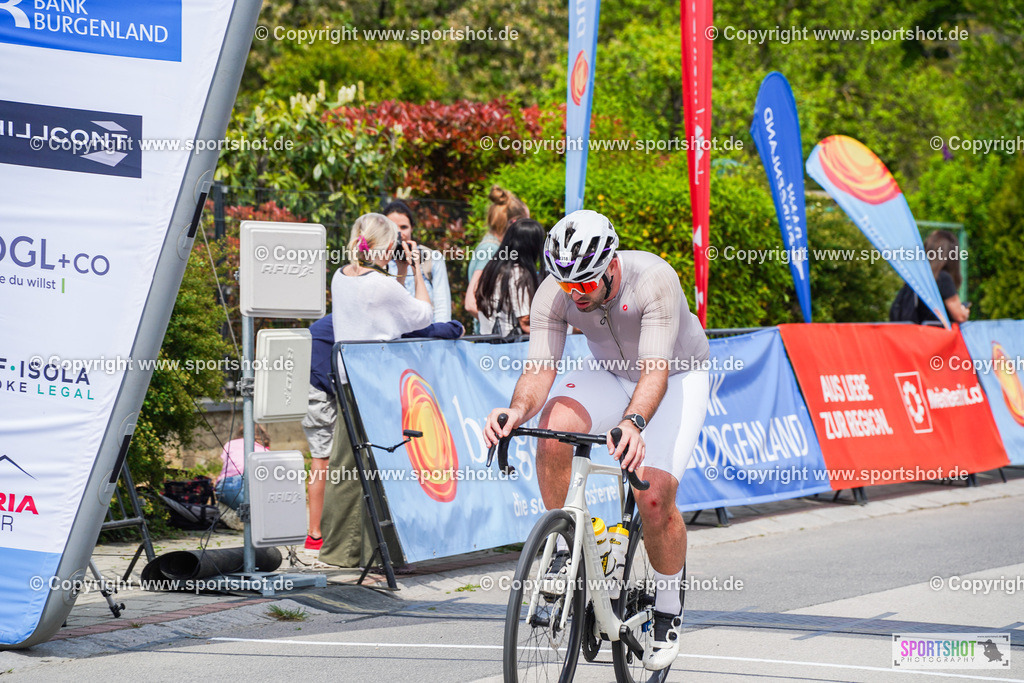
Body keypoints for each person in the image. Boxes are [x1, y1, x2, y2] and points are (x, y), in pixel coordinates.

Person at [483, 210, 710, 671]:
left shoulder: (654, 280)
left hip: (677, 376)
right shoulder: (558, 289)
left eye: (586, 284)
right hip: (609, 373)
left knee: (654, 498)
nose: (577, 295)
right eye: (569, 285)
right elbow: (540, 368)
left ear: (610, 266)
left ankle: (667, 610)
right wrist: (515, 410)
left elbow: (655, 373)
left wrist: (633, 423)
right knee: (551, 433)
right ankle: (565, 552)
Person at [465, 186, 530, 323]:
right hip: (492, 341)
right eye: (526, 222)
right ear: (513, 223)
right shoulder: (491, 249)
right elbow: (471, 304)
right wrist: (504, 327)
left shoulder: (496, 247)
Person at [383, 199, 452, 322]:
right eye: (393, 228)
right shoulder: (378, 261)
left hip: (429, 335)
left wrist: (441, 334)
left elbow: (442, 307)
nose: (399, 233)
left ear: (412, 228)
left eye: (404, 227)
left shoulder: (432, 258)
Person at [475, 218, 546, 336]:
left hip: (488, 342)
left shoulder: (493, 268)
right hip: (510, 345)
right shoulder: (519, 273)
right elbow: (525, 321)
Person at [301, 313, 336, 550]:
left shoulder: (342, 314)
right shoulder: (355, 314)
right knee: (322, 459)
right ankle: (315, 534)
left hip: (316, 386)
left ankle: (318, 531)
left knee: (324, 459)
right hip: (317, 390)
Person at [214, 424, 270, 512]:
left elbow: (225, 463)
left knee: (244, 513)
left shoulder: (229, 444)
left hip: (224, 487)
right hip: (246, 486)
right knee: (258, 513)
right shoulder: (265, 451)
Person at [919, 230, 970, 324]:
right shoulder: (943, 278)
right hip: (933, 335)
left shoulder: (918, 277)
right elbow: (960, 316)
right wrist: (964, 311)